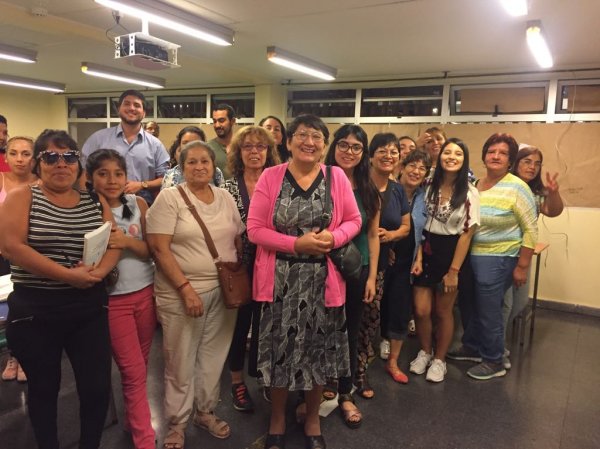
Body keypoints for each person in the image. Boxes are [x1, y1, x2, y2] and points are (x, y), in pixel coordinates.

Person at [0, 129, 120, 449]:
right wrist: (68, 277)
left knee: (96, 389)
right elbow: (12, 247)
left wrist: (99, 274)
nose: (61, 163)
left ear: (77, 163)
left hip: (87, 308)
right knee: (44, 389)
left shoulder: (94, 200)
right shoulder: (23, 197)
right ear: (39, 164)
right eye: (51, 157)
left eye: (69, 156)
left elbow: (114, 242)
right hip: (36, 311)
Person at [247, 114, 361, 449]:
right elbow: (255, 229)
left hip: (323, 282)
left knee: (318, 355)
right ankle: (278, 418)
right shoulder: (271, 176)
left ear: (324, 145)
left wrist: (334, 237)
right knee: (280, 354)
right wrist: (295, 244)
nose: (309, 142)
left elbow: (354, 220)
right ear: (289, 140)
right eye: (302, 135)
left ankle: (312, 420)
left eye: (316, 137)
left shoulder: (336, 176)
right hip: (279, 281)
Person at [146, 141, 244, 449]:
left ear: (214, 166)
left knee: (214, 356)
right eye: (192, 162)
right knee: (180, 359)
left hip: (222, 293)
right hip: (182, 292)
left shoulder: (226, 197)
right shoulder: (170, 199)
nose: (200, 167)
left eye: (205, 161)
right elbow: (160, 249)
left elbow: (237, 239)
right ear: (182, 167)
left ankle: (205, 411)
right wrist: (186, 290)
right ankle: (177, 423)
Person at [449, 133, 538, 380]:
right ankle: (473, 347)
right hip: (471, 256)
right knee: (471, 306)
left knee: (490, 310)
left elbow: (531, 228)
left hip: (499, 258)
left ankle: (494, 359)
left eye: (502, 153)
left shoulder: (517, 187)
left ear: (510, 161)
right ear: (484, 156)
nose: (495, 156)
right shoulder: (476, 184)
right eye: (491, 151)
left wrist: (522, 265)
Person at [86, 149, 156, 449]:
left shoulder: (136, 203)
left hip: (145, 292)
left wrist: (127, 241)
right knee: (133, 371)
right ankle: (145, 439)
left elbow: (150, 250)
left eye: (118, 173)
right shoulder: (85, 208)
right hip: (113, 302)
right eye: (103, 173)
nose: (112, 180)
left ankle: (133, 420)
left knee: (141, 364)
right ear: (90, 178)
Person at [323, 124, 380, 428]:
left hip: (357, 271)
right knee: (321, 331)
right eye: (343, 145)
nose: (349, 151)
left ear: (363, 153)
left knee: (351, 332)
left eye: (356, 147)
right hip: (324, 269)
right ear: (333, 148)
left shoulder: (369, 189)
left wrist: (371, 277)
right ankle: (320, 386)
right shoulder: (320, 181)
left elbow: (373, 236)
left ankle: (346, 392)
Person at [409, 139, 480, 383]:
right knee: (421, 309)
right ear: (439, 157)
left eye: (458, 153)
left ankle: (439, 360)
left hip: (451, 252)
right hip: (425, 248)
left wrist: (454, 271)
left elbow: (467, 233)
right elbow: (419, 221)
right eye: (447, 152)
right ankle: (425, 351)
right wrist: (418, 254)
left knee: (443, 311)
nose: (451, 157)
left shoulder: (470, 192)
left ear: (464, 160)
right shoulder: (428, 183)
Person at [221, 125, 279, 412]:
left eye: (260, 146)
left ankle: (267, 377)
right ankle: (236, 381)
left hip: (273, 262)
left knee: (268, 324)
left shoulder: (279, 183)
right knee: (240, 324)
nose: (254, 151)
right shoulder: (228, 187)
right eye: (248, 147)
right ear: (238, 152)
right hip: (241, 266)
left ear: (269, 152)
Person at [501, 144, 564, 368]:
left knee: (518, 302)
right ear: (516, 163)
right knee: (504, 304)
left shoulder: (535, 192)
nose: (532, 167)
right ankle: (495, 349)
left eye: (537, 163)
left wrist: (553, 192)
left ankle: (494, 345)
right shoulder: (504, 186)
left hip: (523, 254)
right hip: (502, 254)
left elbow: (553, 211)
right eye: (527, 161)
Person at [357, 133, 410, 395]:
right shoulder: (357, 184)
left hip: (381, 263)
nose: (388, 156)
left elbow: (406, 226)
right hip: (353, 260)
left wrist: (390, 236)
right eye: (382, 151)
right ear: (370, 155)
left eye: (394, 151)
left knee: (370, 320)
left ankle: (360, 372)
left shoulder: (397, 188)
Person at [382, 150, 431, 384]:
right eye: (412, 165)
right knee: (376, 306)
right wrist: (387, 247)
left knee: (401, 307)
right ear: (402, 167)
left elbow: (420, 232)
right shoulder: (388, 189)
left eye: (422, 168)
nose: (416, 171)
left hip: (407, 260)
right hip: (383, 256)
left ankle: (394, 360)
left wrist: (419, 257)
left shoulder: (423, 197)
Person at [82, 89, 170, 205]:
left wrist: (142, 185)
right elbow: (83, 173)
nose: (132, 108)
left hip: (142, 205)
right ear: (119, 109)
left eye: (137, 105)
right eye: (127, 104)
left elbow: (166, 179)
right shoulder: (98, 139)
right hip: (102, 204)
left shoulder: (156, 145)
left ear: (143, 113)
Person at [0, 136, 39, 383]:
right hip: (2, 255)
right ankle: (13, 354)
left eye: (26, 153)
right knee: (10, 307)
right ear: (5, 157)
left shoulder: (41, 183)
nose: (19, 159)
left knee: (29, 305)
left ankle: (29, 355)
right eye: (13, 153)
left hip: (32, 254)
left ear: (34, 158)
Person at [207, 103, 236, 178]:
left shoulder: (242, 146)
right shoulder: (207, 148)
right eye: (214, 121)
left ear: (232, 121)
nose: (217, 125)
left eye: (221, 120)